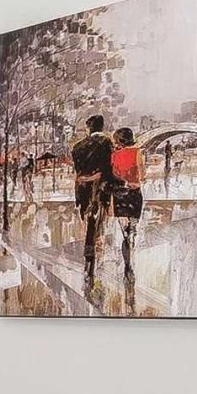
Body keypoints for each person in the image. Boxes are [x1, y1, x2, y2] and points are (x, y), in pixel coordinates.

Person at [70, 114, 116, 300]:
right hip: (100, 188)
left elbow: (78, 170)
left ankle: (89, 253)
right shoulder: (106, 143)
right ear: (102, 126)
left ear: (88, 128)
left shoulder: (77, 147)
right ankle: (92, 251)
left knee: (88, 219)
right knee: (97, 221)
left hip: (82, 188)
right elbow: (109, 168)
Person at [111, 127, 145, 312]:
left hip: (120, 196)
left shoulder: (114, 156)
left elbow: (113, 176)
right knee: (133, 228)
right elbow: (143, 174)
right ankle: (131, 241)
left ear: (119, 140)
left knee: (124, 232)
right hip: (134, 194)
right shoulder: (138, 153)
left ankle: (127, 264)